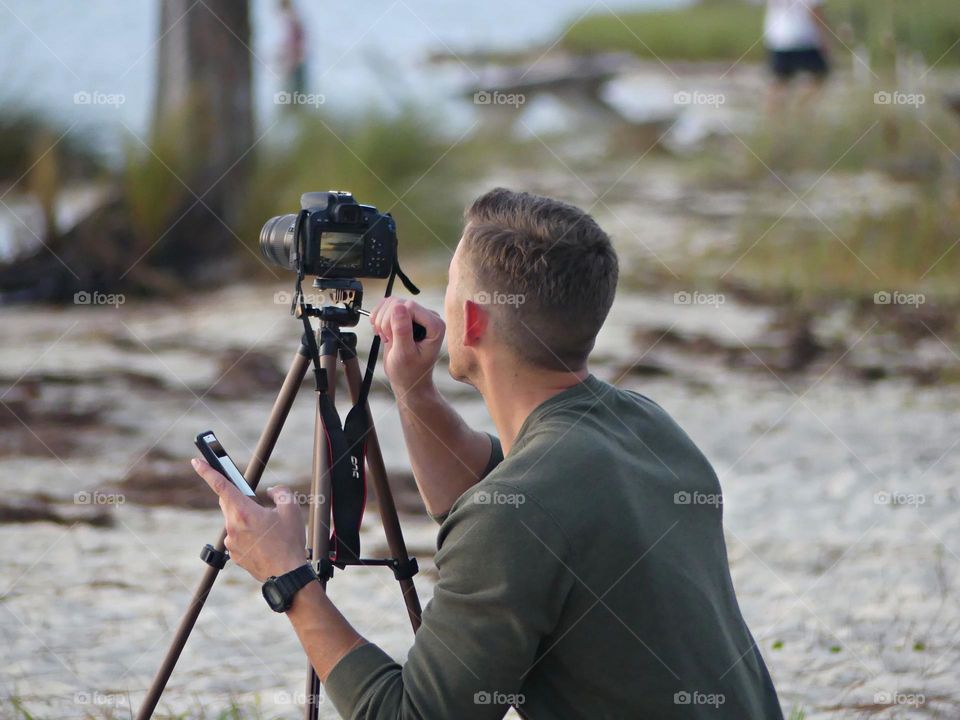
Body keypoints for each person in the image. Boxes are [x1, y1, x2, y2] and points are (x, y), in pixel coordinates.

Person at [193, 188, 784, 719]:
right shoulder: (646, 425)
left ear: (470, 320)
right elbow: (495, 495)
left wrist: (287, 575)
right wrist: (412, 390)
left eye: (450, 288)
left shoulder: (518, 515)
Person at [764, 0, 832, 110]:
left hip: (778, 37)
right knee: (819, 75)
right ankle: (802, 108)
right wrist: (826, 38)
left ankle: (775, 118)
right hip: (803, 38)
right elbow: (815, 11)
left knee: (780, 81)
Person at [277, 0, 306, 96]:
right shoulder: (294, 18)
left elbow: (293, 43)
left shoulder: (291, 19)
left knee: (292, 93)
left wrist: (289, 61)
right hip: (296, 60)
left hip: (294, 62)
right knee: (295, 94)